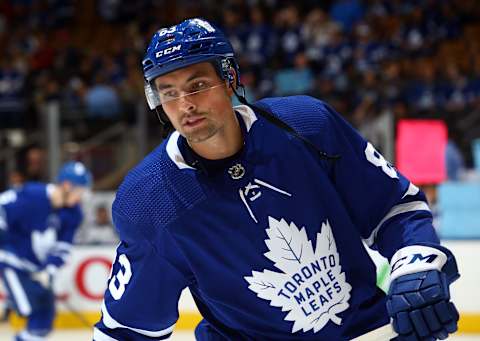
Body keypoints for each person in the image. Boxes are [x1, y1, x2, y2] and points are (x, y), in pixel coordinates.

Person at [93, 18, 460, 341]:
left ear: (229, 78)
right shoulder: (149, 200)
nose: (185, 104)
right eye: (168, 92)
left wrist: (417, 262)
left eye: (197, 84)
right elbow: (127, 329)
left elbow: (393, 209)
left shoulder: (306, 126)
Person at [0, 161, 92, 341]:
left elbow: (63, 247)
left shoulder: (73, 213)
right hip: (12, 263)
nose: (80, 197)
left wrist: (50, 269)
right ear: (66, 186)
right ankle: (11, 302)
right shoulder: (31, 195)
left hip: (35, 270)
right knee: (32, 309)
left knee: (44, 320)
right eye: (79, 192)